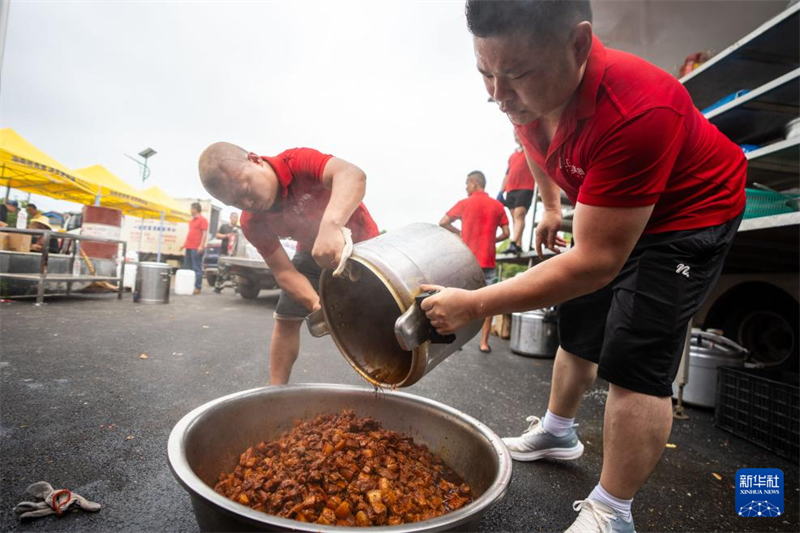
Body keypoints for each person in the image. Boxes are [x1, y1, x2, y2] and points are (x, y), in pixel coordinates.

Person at [421, 2, 746, 532]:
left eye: (517, 75)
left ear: (577, 45)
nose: (497, 95)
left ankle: (612, 511)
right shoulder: (525, 99)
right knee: (579, 323)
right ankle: (557, 432)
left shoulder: (638, 106)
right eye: (486, 72)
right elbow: (529, 142)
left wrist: (476, 304)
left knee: (636, 355)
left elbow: (596, 262)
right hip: (619, 209)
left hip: (688, 216)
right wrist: (551, 206)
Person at [198, 142, 379, 385]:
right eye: (237, 203)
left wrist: (331, 226)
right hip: (312, 253)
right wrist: (318, 306)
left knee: (379, 318)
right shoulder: (252, 222)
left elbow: (353, 175)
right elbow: (284, 273)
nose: (248, 204)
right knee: (285, 318)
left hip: (363, 246)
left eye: (247, 189)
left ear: (255, 159)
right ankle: (276, 392)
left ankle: (387, 388)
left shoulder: (296, 162)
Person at [440, 171, 509, 353]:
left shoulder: (465, 203)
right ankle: (483, 343)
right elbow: (507, 233)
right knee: (489, 303)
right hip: (488, 262)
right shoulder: (497, 205)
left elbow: (443, 222)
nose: (465, 187)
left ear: (474, 182)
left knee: (457, 300)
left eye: (467, 183)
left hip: (467, 262)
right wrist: (492, 240)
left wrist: (460, 233)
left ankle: (457, 342)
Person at [497, 134, 535, 255]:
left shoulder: (531, 151)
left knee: (519, 214)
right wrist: (501, 191)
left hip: (526, 188)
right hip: (510, 189)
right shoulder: (512, 156)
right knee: (515, 218)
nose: (516, 136)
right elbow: (507, 175)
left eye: (518, 133)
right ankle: (518, 244)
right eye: (514, 134)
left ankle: (512, 243)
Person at [180, 202, 208, 295]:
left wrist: (201, 245)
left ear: (195, 209)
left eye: (191, 208)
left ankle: (197, 287)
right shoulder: (191, 221)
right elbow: (190, 234)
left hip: (196, 248)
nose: (190, 210)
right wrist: (184, 245)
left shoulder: (202, 220)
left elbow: (204, 234)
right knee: (187, 268)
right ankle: (188, 286)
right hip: (189, 247)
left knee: (196, 267)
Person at [213, 211, 240, 293]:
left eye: (236, 217)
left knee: (234, 272)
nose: (235, 219)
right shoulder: (224, 227)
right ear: (230, 218)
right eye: (234, 217)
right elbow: (217, 235)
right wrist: (226, 236)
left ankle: (237, 289)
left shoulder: (238, 229)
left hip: (234, 254)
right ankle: (218, 287)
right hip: (224, 252)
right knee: (221, 270)